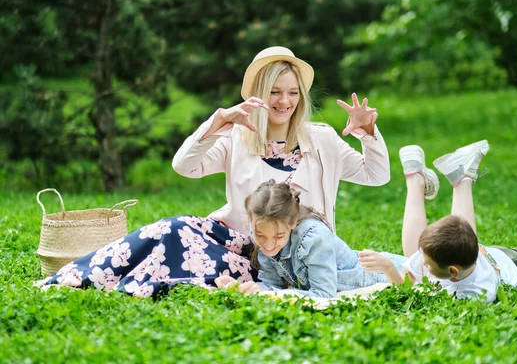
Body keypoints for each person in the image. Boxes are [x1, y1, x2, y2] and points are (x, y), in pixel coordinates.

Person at [38, 46, 390, 297]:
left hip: (286, 255)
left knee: (180, 257)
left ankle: (113, 280)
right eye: (275, 92)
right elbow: (184, 166)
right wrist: (215, 123)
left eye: (293, 93)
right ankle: (78, 276)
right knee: (170, 229)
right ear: (259, 95)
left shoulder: (323, 139)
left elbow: (376, 175)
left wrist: (367, 134)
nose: (284, 102)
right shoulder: (238, 137)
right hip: (235, 244)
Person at [359, 140, 517, 303]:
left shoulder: (466, 291)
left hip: (508, 269)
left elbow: (411, 296)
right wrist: (392, 268)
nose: (421, 263)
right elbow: (412, 282)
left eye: (427, 263)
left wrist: (390, 269)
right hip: (510, 268)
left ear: (452, 271)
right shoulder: (458, 275)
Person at [214, 180, 407, 298]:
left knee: (430, 273)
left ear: (292, 224)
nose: (268, 245)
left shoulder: (314, 239)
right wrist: (246, 289)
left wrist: (270, 294)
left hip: (388, 275)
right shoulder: (259, 238)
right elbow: (273, 285)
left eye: (279, 236)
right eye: (260, 235)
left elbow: (323, 294)